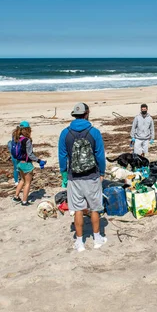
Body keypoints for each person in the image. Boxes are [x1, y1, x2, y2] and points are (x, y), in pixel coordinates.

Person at [58, 103, 107, 252]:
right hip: (92, 175)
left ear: (74, 115)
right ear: (87, 113)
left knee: (78, 209)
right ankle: (97, 238)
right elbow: (100, 155)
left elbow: (62, 156)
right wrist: (102, 172)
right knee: (94, 208)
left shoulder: (65, 133)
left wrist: (64, 174)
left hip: (74, 176)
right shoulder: (94, 132)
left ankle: (80, 242)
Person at [11, 121, 46, 206]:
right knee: (28, 182)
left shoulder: (16, 138)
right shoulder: (27, 140)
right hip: (26, 164)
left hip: (18, 162)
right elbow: (30, 154)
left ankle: (16, 196)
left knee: (22, 180)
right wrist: (39, 161)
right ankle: (24, 201)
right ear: (28, 130)